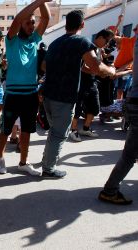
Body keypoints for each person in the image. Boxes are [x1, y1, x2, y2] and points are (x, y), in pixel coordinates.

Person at [40, 10, 115, 178]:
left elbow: (44, 66)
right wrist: (110, 70)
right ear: (82, 24)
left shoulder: (55, 43)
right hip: (64, 96)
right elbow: (96, 66)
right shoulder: (82, 42)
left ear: (66, 24)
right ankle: (49, 168)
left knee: (54, 131)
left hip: (48, 94)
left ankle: (47, 161)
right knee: (59, 133)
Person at [0, 0, 51, 175]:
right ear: (21, 24)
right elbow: (18, 18)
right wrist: (39, 1)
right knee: (6, 129)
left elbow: (47, 17)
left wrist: (42, 3)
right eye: (28, 23)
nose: (31, 26)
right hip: (13, 94)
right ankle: (0, 158)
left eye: (33, 22)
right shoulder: (11, 40)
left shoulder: (35, 39)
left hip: (31, 94)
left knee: (27, 130)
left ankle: (23, 162)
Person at [98, 27, 138, 205]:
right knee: (130, 154)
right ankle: (110, 190)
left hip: (134, 99)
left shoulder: (135, 44)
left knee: (130, 153)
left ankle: (110, 189)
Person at [69, 29, 114, 142]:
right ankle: (73, 130)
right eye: (107, 40)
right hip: (82, 81)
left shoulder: (99, 50)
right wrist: (98, 72)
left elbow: (98, 67)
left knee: (95, 107)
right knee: (78, 107)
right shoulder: (88, 47)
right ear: (100, 38)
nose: (107, 44)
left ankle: (86, 128)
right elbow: (82, 67)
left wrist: (102, 73)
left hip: (92, 82)